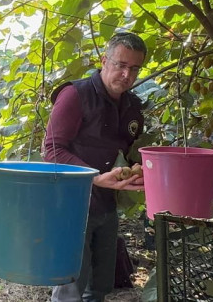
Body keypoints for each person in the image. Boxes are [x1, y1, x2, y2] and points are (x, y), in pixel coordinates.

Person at [43, 32, 147, 302]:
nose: (126, 74)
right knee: (70, 288)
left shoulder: (132, 106)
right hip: (71, 206)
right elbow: (52, 150)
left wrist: (137, 174)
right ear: (104, 60)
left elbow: (127, 155)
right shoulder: (75, 94)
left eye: (134, 68)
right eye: (120, 65)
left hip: (106, 205)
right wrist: (94, 177)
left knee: (100, 287)